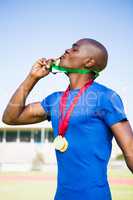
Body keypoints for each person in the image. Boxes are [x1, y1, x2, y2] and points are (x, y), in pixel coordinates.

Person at [2, 38, 133, 200]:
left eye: (74, 49)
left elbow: (130, 152)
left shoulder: (106, 97)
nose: (67, 50)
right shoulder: (54, 100)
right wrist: (32, 78)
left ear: (89, 62)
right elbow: (10, 118)